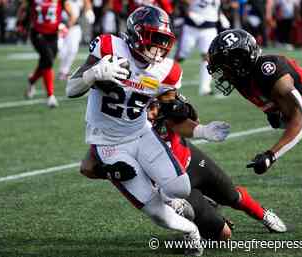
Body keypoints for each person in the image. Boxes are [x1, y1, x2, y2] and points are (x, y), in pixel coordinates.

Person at [66, 6, 230, 256]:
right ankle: (190, 231)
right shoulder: (110, 47)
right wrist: (92, 75)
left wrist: (201, 129)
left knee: (181, 188)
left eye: (165, 41)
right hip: (109, 144)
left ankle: (170, 200)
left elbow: (172, 113)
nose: (160, 48)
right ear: (137, 34)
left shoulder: (169, 71)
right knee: (154, 211)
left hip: (142, 134)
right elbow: (71, 89)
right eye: (156, 39)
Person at [80, 96, 287, 240]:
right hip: (173, 190)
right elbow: (87, 167)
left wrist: (200, 127)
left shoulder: (161, 105)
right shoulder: (115, 131)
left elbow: (187, 122)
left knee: (232, 196)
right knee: (224, 235)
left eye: (152, 106)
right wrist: (110, 172)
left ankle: (262, 214)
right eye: (146, 108)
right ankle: (204, 219)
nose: (151, 114)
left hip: (192, 162)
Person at [207, 28, 302, 232]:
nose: (222, 73)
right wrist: (278, 118)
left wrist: (271, 154)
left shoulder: (267, 69)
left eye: (224, 67)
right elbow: (286, 118)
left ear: (239, 61)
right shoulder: (245, 83)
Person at [17, 0, 74, 107]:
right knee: (47, 60)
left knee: (46, 61)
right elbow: (22, 9)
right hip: (38, 33)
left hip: (53, 35)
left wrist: (66, 27)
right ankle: (50, 96)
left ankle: (32, 80)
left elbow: (72, 15)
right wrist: (19, 24)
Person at [174, 0, 228, 96]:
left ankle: (205, 88)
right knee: (180, 57)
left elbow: (219, 5)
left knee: (208, 57)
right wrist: (188, 12)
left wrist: (220, 15)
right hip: (191, 27)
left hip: (210, 28)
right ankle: (166, 79)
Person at [58, 0, 95, 80]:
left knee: (73, 50)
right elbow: (72, 16)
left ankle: (64, 71)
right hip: (62, 26)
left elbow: (87, 3)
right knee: (61, 51)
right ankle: (62, 70)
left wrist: (89, 10)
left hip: (74, 27)